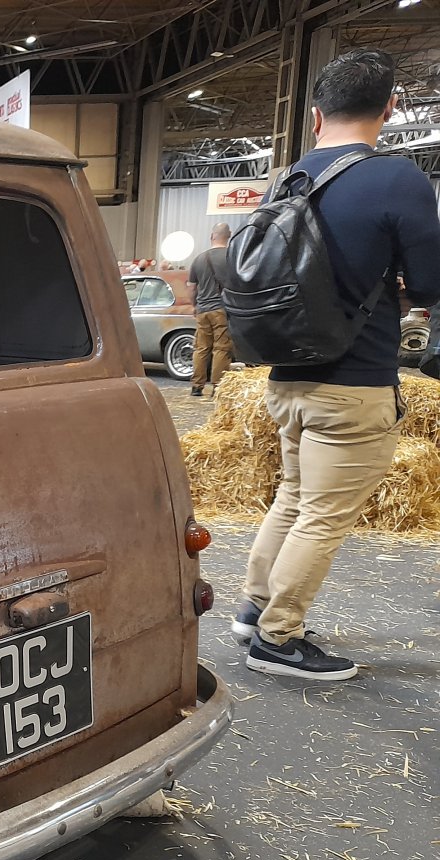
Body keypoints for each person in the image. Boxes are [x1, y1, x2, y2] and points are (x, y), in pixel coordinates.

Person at [235, 49, 440, 680]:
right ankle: (277, 639)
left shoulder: (288, 179)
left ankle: (254, 608)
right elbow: (430, 283)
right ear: (390, 108)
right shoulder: (397, 178)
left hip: (287, 379)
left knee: (293, 498)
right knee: (322, 518)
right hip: (354, 382)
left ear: (316, 114)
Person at [187, 223, 234, 397]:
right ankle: (218, 386)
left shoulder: (199, 259)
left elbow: (192, 287)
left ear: (211, 236)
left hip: (202, 310)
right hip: (222, 309)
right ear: (229, 235)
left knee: (201, 348)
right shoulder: (232, 257)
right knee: (221, 348)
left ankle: (196, 386)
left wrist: (194, 306)